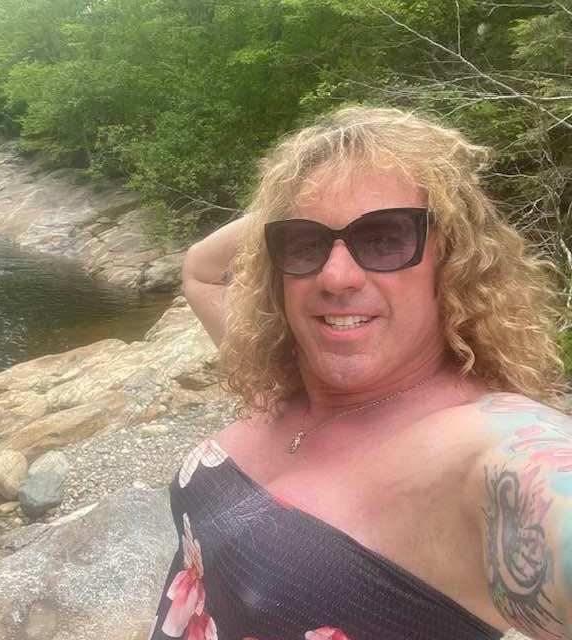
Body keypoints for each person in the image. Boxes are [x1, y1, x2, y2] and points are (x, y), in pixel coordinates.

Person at [147, 106, 572, 640]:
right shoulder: (290, 380)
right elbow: (201, 271)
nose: (336, 276)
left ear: (452, 255)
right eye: (304, 243)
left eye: (385, 238)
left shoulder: (485, 446)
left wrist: (436, 203)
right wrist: (307, 194)